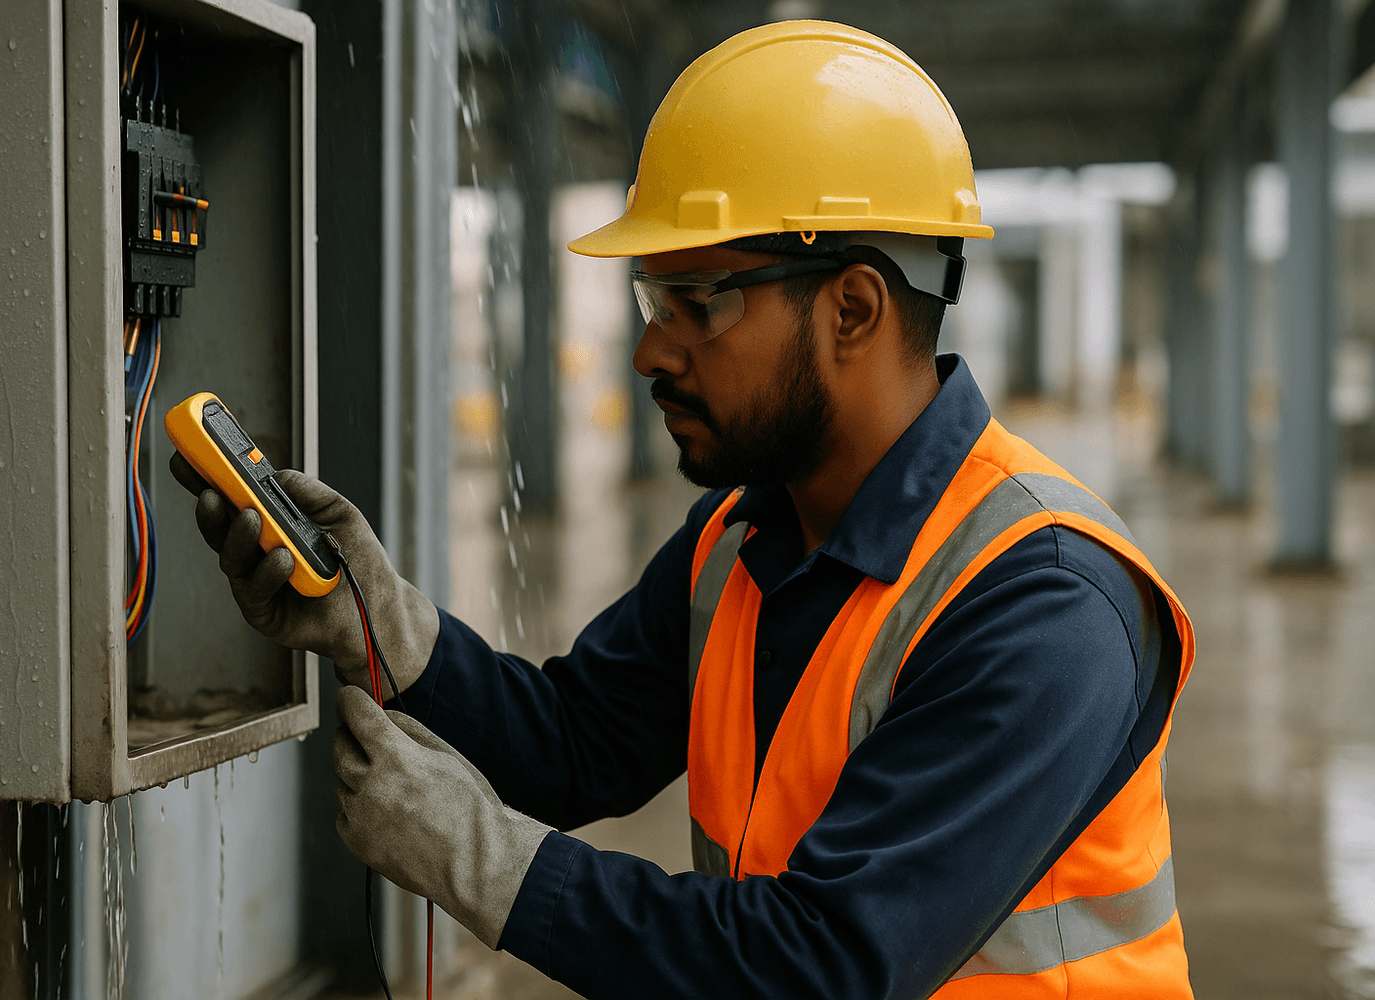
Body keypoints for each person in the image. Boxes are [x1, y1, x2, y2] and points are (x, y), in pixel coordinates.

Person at [171, 20, 1195, 999]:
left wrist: (480, 859)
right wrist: (381, 625)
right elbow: (574, 745)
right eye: (648, 304)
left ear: (852, 309)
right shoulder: (745, 539)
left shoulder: (1044, 602)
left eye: (695, 304)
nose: (650, 353)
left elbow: (818, 966)